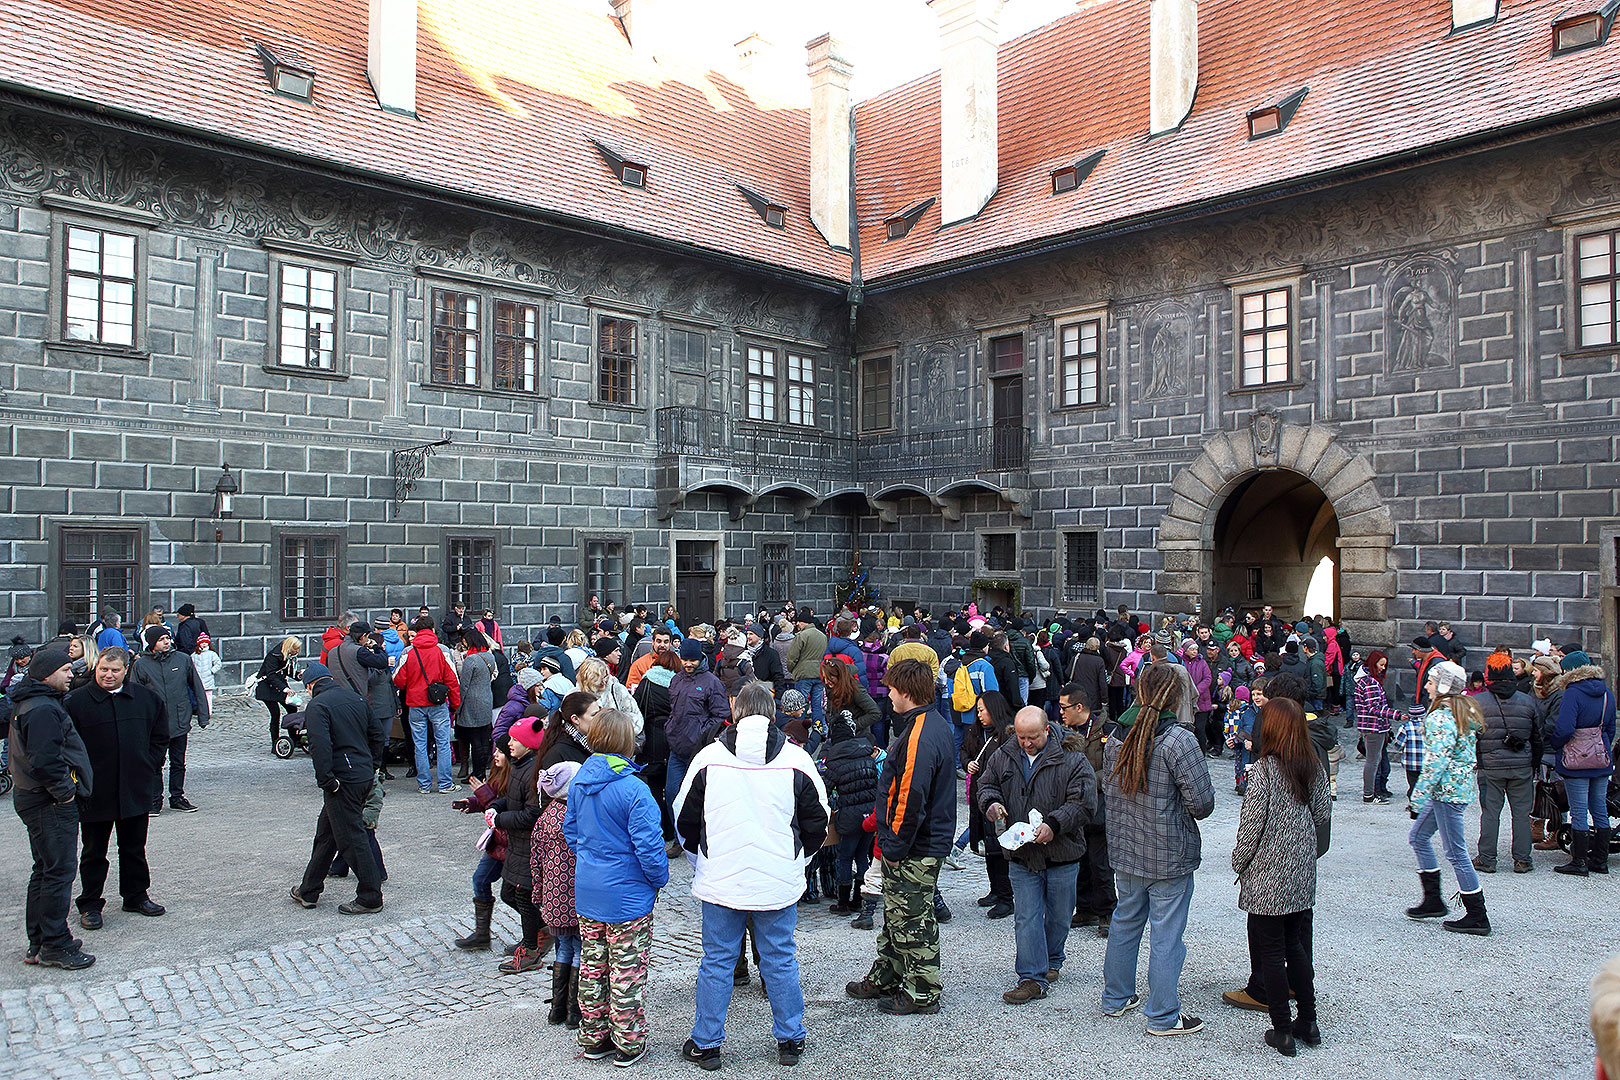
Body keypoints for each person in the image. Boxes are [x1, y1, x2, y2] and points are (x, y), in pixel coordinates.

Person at [675, 682, 829, 1069]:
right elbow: (818, 821)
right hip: (777, 877)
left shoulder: (708, 757)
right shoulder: (797, 759)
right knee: (779, 959)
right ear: (773, 713)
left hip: (722, 876)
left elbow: (684, 819)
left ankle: (706, 1044)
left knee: (717, 961)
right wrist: (798, 860)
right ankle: (790, 1038)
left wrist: (701, 859)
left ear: (735, 710)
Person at [1099, 662, 1214, 1036]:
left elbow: (1109, 791)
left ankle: (1116, 998)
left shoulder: (1115, 735)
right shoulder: (1179, 740)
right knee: (1166, 935)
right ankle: (1163, 1015)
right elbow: (1203, 803)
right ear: (1177, 696)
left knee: (1125, 922)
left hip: (1127, 849)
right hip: (1168, 852)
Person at [845, 658, 957, 1016]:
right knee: (897, 914)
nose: (888, 694)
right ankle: (889, 975)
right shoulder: (926, 724)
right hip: (917, 840)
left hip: (915, 845)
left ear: (906, 692)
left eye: (892, 689)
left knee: (912, 918)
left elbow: (909, 797)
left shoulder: (921, 734)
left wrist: (893, 846)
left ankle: (922, 991)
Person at [565, 708, 670, 1067]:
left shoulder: (580, 781)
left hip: (589, 890)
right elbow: (650, 848)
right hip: (627, 895)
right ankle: (628, 1042)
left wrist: (593, 860)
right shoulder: (634, 789)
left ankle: (595, 1037)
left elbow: (572, 832)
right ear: (627, 742)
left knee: (594, 966)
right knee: (626, 969)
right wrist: (658, 880)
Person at [978, 705, 1098, 1005]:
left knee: (1059, 916)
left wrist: (1054, 824)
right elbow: (986, 785)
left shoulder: (1073, 758)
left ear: (1047, 730)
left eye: (1032, 737)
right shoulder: (1004, 754)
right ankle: (1031, 977)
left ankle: (1053, 958)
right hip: (1021, 854)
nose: (1026, 743)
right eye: (1021, 737)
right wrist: (991, 803)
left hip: (1062, 852)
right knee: (1027, 916)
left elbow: (1084, 803)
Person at [1231, 697, 1331, 1057]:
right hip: (1301, 868)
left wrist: (1239, 862)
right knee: (1297, 946)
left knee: (1270, 950)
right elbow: (1321, 813)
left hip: (1268, 872)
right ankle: (1309, 1020)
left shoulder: (1263, 771)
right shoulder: (1313, 766)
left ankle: (1282, 1029)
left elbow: (1251, 826)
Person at [63, 647, 167, 930]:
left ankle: (135, 895)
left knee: (134, 847)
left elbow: (160, 737)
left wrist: (149, 764)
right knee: (94, 851)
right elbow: (67, 747)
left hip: (135, 786)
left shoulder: (146, 699)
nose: (108, 675)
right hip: (95, 791)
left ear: (126, 670)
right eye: (103, 670)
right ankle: (90, 903)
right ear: (96, 668)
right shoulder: (76, 702)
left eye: (114, 671)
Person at [8, 643, 95, 969]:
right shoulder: (42, 708)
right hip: (47, 801)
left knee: (45, 870)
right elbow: (45, 761)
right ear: (47, 675)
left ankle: (41, 942)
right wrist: (65, 793)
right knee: (57, 872)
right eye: (66, 670)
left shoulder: (35, 702)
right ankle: (54, 945)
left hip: (37, 798)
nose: (71, 674)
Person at [286, 663, 385, 914]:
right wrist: (371, 764)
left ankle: (370, 896)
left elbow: (319, 746)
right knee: (326, 835)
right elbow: (376, 735)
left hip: (343, 780)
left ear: (311, 686)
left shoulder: (318, 706)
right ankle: (308, 889)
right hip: (360, 774)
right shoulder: (356, 698)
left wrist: (327, 780)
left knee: (352, 838)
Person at [1404, 660, 1490, 934]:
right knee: (1418, 837)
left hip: (1448, 792)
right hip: (1451, 790)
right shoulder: (1462, 709)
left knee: (1456, 852)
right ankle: (1433, 901)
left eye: (1430, 682)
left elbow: (1435, 763)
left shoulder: (1441, 716)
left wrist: (1417, 798)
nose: (1426, 687)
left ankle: (1477, 914)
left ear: (1442, 686)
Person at [1473, 650, 1541, 875]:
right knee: (1521, 814)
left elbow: (1471, 736)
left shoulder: (1478, 701)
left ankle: (1487, 859)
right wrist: (1533, 765)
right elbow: (1537, 737)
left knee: (1490, 812)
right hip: (1522, 765)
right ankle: (1522, 860)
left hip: (1490, 766)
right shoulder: (1528, 701)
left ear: (1489, 676)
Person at [490, 716, 549, 974]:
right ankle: (538, 932)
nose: (509, 744)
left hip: (528, 846)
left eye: (515, 739)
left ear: (528, 743)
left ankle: (531, 950)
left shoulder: (532, 772)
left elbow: (531, 814)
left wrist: (500, 819)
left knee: (524, 897)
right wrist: (495, 807)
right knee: (509, 894)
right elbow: (510, 799)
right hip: (517, 845)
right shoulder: (519, 766)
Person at [1550, 651, 1617, 877]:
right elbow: (1610, 729)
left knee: (1579, 810)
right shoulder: (1606, 692)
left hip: (1576, 759)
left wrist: (1556, 743)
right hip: (1600, 757)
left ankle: (1579, 862)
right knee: (1599, 808)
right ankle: (1600, 861)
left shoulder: (1572, 693)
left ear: (1569, 671)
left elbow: (1565, 728)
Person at [131, 624, 209, 814]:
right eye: (161, 640)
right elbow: (134, 695)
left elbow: (197, 686)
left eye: (167, 638)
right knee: (155, 763)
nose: (166, 642)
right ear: (152, 643)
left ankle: (177, 796)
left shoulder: (182, 659)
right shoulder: (141, 664)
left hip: (180, 719)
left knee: (178, 762)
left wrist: (203, 715)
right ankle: (155, 799)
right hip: (155, 723)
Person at [1058, 682, 1115, 935]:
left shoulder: (1109, 730)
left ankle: (1107, 912)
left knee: (1099, 862)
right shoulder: (1062, 732)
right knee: (1077, 859)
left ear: (1079, 707)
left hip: (1099, 804)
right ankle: (1085, 908)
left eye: (1064, 707)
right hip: (1073, 805)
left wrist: (1088, 778)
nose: (1061, 712)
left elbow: (1115, 769)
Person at [533, 760, 583, 1028]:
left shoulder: (545, 817)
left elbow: (535, 860)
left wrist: (539, 895)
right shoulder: (575, 817)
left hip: (553, 898)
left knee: (563, 948)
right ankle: (574, 1011)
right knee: (578, 948)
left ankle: (557, 1009)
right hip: (575, 896)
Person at [451, 741, 512, 950]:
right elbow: (488, 801)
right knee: (480, 879)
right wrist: (471, 802)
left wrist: (483, 794)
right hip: (497, 843)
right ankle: (482, 934)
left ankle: (538, 932)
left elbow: (500, 808)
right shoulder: (497, 775)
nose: (496, 754)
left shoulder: (517, 778)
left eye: (501, 751)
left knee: (513, 895)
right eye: (496, 750)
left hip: (512, 845)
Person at [962, 690, 1017, 919]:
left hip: (998, 798)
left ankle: (1006, 896)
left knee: (999, 848)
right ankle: (995, 890)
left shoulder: (1007, 734)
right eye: (978, 710)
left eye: (982, 710)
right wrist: (968, 764)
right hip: (979, 796)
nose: (980, 714)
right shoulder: (975, 731)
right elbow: (964, 751)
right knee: (987, 847)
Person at [821, 706, 880, 918]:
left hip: (849, 816)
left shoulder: (835, 761)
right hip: (870, 814)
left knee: (845, 858)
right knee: (863, 857)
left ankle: (843, 903)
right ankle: (860, 900)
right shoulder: (867, 754)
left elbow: (825, 789)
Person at [393, 619, 462, 794]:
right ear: (432, 629)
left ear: (416, 630)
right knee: (443, 743)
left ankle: (424, 784)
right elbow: (453, 680)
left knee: (420, 744)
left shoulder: (409, 651)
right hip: (437, 704)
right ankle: (445, 784)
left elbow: (398, 680)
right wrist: (455, 705)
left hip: (415, 704)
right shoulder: (442, 651)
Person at [664, 638, 730, 811]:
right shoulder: (676, 679)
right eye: (685, 660)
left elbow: (721, 715)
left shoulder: (712, 682)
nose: (688, 664)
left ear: (700, 659)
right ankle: (679, 834)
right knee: (672, 793)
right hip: (676, 747)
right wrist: (670, 726)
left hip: (698, 749)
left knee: (694, 797)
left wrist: (701, 733)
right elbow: (673, 708)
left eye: (692, 660)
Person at [1353, 651, 1400, 803]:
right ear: (1373, 664)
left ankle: (1372, 793)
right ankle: (1369, 795)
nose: (1383, 668)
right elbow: (1373, 708)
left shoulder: (1367, 681)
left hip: (1372, 727)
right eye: (1381, 665)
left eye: (1384, 665)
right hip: (1374, 727)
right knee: (1373, 762)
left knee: (1375, 761)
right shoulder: (1369, 682)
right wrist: (1395, 715)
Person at [455, 629, 498, 781]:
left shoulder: (471, 659)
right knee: (483, 738)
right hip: (486, 699)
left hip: (472, 702)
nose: (464, 643)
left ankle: (476, 774)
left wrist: (457, 708)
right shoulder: (489, 656)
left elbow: (464, 686)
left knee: (475, 740)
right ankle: (481, 772)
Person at [786, 610, 830, 732]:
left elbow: (792, 657)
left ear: (802, 622)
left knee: (800, 705)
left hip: (803, 674)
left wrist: (792, 670)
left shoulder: (801, 636)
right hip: (819, 673)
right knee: (817, 705)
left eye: (798, 623)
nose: (797, 625)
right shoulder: (822, 636)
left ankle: (799, 731)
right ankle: (818, 731)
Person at [256, 636, 301, 751]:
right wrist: (285, 689)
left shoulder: (286, 655)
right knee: (275, 714)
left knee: (292, 708)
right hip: (267, 687)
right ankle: (275, 742)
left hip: (278, 686)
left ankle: (294, 738)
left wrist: (298, 676)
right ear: (290, 647)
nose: (297, 652)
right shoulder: (274, 656)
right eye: (296, 649)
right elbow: (271, 675)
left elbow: (286, 670)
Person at [189, 634, 221, 713]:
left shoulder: (211, 654)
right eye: (202, 642)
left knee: (208, 696)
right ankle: (201, 711)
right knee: (199, 696)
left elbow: (218, 664)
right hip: (198, 678)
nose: (204, 644)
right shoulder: (194, 655)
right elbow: (191, 665)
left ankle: (208, 711)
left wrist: (211, 671)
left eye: (205, 642)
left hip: (208, 678)